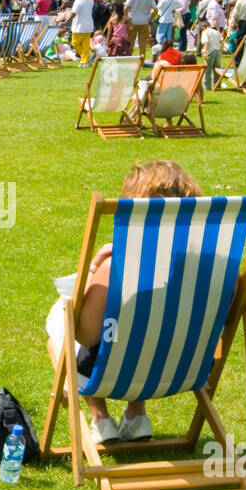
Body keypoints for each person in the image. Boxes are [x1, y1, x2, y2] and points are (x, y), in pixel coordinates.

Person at [44, 160, 204, 444]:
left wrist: (95, 268)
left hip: (112, 374)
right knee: (145, 327)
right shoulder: (213, 266)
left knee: (62, 313)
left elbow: (86, 333)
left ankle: (100, 418)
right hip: (178, 370)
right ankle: (136, 416)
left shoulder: (117, 268)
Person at [70, 0, 95, 68]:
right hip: (88, 26)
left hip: (79, 26)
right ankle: (86, 59)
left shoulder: (78, 1)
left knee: (74, 43)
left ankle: (86, 59)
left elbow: (73, 13)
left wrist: (66, 21)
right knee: (85, 45)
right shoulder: (91, 1)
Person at [199, 20, 221, 94]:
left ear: (203, 27)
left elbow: (206, 42)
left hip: (210, 51)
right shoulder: (216, 32)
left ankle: (207, 87)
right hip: (218, 51)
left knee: (207, 70)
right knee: (217, 70)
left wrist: (205, 53)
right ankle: (217, 86)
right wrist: (221, 51)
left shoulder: (205, 32)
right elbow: (222, 41)